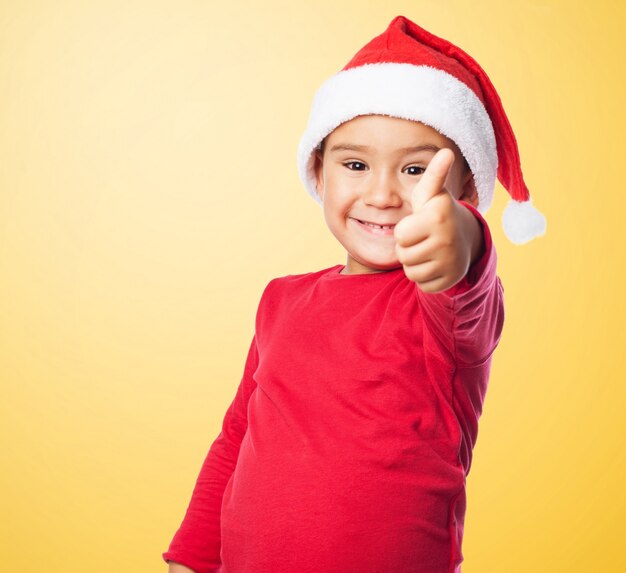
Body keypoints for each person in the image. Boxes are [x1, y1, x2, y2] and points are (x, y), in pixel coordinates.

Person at [162, 14, 546, 573]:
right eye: (357, 164)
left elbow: (467, 271)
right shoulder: (281, 301)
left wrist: (456, 232)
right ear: (318, 172)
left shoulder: (445, 309)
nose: (384, 193)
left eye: (417, 169)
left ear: (466, 188)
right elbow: (238, 432)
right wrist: (195, 555)